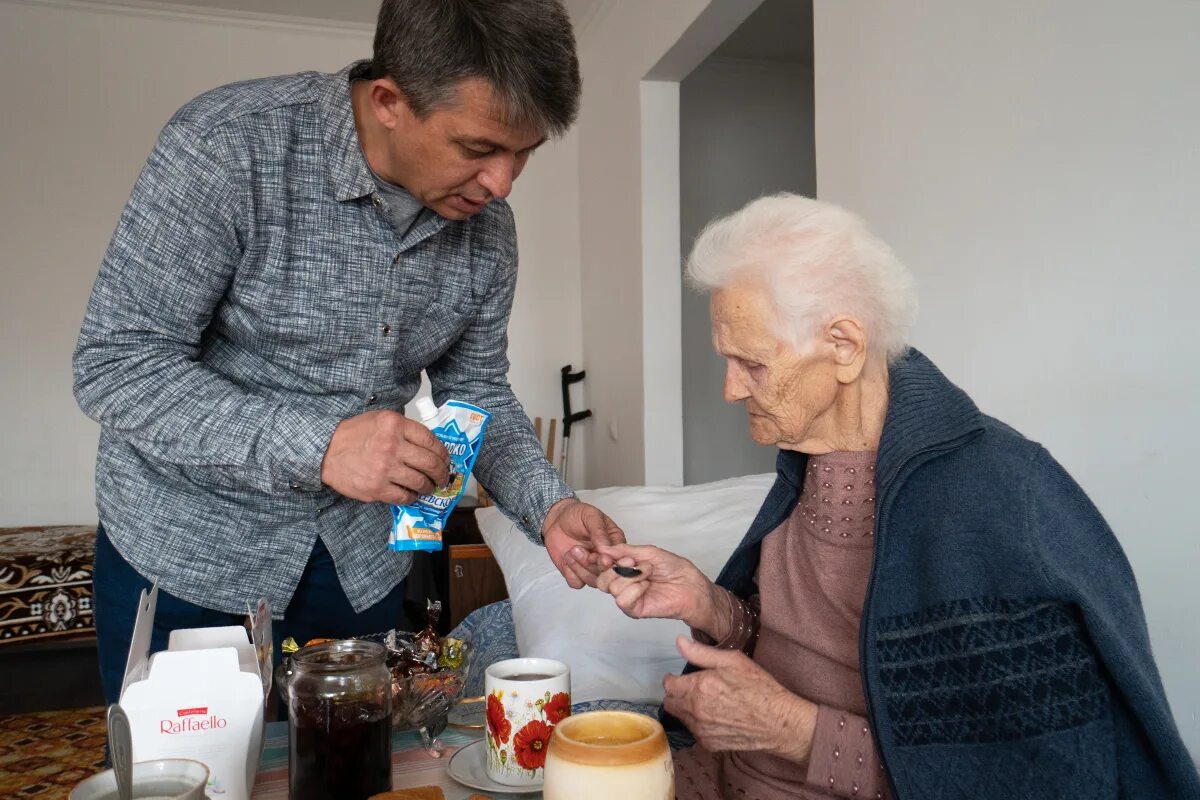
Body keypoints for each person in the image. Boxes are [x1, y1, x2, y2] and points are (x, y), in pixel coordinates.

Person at [73, 0, 621, 707]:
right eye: (479, 149)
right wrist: (320, 445)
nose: (503, 184)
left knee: (350, 773)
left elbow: (475, 390)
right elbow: (117, 364)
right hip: (187, 561)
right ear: (389, 100)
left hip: (359, 569)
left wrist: (548, 507)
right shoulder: (226, 146)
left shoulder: (489, 232)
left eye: (526, 151)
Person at [594, 194, 1200, 800]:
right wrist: (712, 608)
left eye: (751, 363)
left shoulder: (999, 493)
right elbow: (806, 649)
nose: (730, 389)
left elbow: (1033, 774)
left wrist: (794, 733)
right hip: (723, 774)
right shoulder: (806, 463)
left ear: (844, 345)